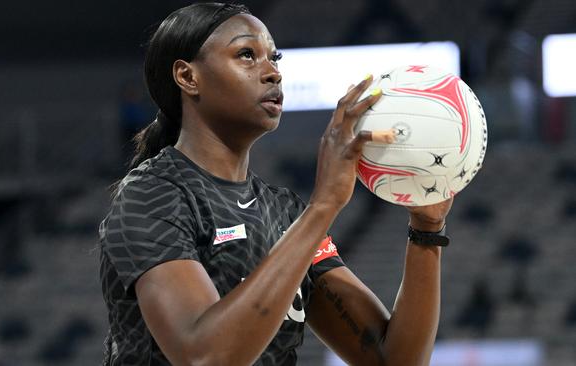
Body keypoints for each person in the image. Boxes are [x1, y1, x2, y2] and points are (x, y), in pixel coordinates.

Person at [99, 3, 453, 365]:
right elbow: (203, 358)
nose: (272, 72)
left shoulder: (284, 213)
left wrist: (426, 228)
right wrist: (324, 204)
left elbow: (393, 360)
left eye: (275, 57)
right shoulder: (151, 194)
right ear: (188, 77)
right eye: (247, 55)